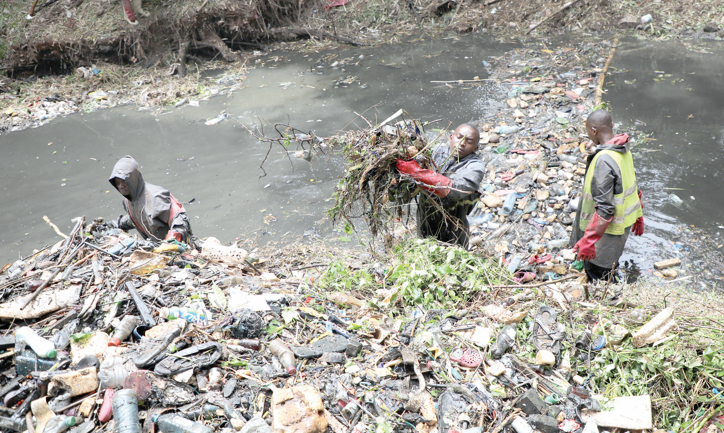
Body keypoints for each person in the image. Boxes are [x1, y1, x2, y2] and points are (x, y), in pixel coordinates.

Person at [570, 109, 644, 282]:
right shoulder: (623, 149)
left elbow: (605, 208)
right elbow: (633, 185)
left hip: (604, 237)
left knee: (599, 276)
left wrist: (588, 241)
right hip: (621, 229)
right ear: (611, 125)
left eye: (588, 131)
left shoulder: (604, 159)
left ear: (593, 131)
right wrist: (638, 215)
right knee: (611, 267)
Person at [396, 123, 486, 248]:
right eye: (459, 137)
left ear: (475, 148)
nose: (462, 143)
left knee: (452, 260)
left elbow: (456, 189)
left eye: (469, 141)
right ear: (451, 137)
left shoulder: (475, 167)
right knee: (424, 253)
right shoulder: (434, 152)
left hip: (454, 227)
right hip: (425, 219)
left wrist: (418, 173)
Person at [109, 155, 192, 243]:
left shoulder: (156, 197)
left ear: (132, 180)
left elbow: (180, 218)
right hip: (154, 245)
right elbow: (135, 218)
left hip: (175, 245)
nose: (121, 186)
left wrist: (172, 240)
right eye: (118, 183)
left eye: (124, 181)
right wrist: (116, 224)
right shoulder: (127, 201)